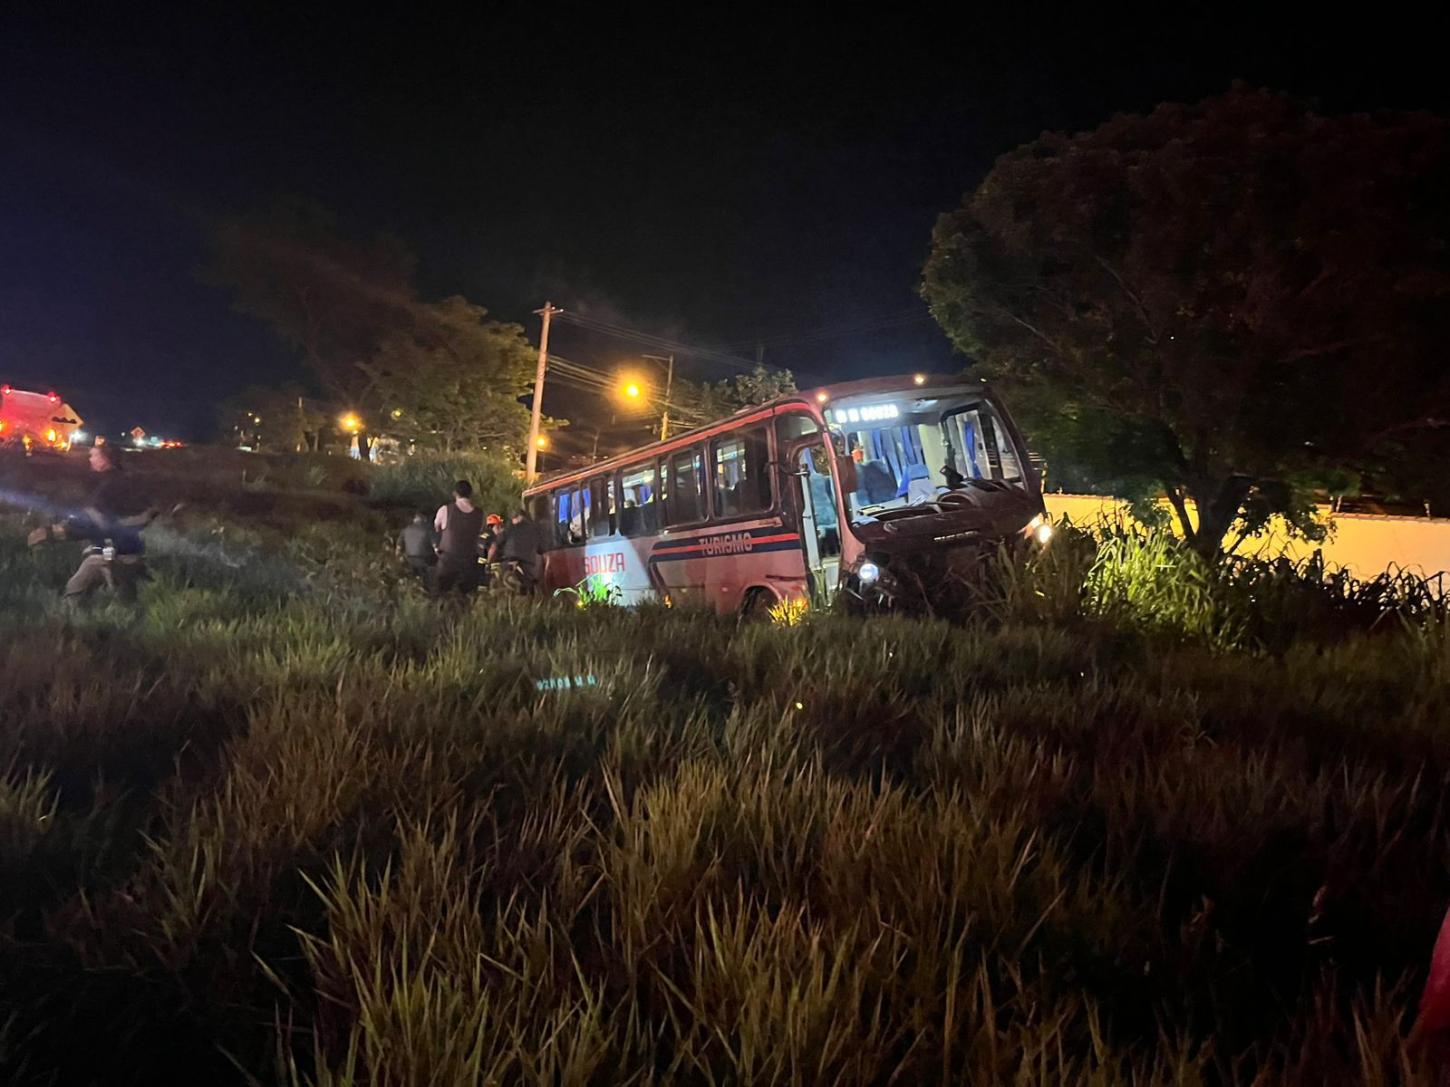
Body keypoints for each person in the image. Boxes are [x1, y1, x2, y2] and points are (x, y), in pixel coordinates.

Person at [35, 442, 159, 604]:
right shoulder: (130, 482)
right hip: (133, 552)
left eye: (93, 456)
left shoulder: (107, 488)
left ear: (104, 460)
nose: (90, 459)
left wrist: (51, 533)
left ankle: (76, 625)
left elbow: (92, 523)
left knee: (74, 592)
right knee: (130, 599)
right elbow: (147, 514)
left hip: (109, 554)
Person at [433, 480, 484, 595]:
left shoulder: (445, 509)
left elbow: (437, 528)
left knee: (441, 595)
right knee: (467, 598)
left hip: (447, 561)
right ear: (471, 494)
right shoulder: (480, 514)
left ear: (455, 493)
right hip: (469, 562)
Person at [488, 507, 544, 593]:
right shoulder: (535, 530)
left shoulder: (509, 529)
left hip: (509, 564)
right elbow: (541, 554)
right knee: (528, 590)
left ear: (515, 518)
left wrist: (488, 563)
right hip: (527, 568)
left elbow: (493, 547)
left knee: (495, 584)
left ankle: (509, 585)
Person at [395, 511, 437, 581]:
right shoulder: (429, 530)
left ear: (414, 520)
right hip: (425, 561)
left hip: (410, 560)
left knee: (412, 578)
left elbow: (398, 548)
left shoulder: (405, 530)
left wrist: (398, 561)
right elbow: (436, 548)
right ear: (424, 519)